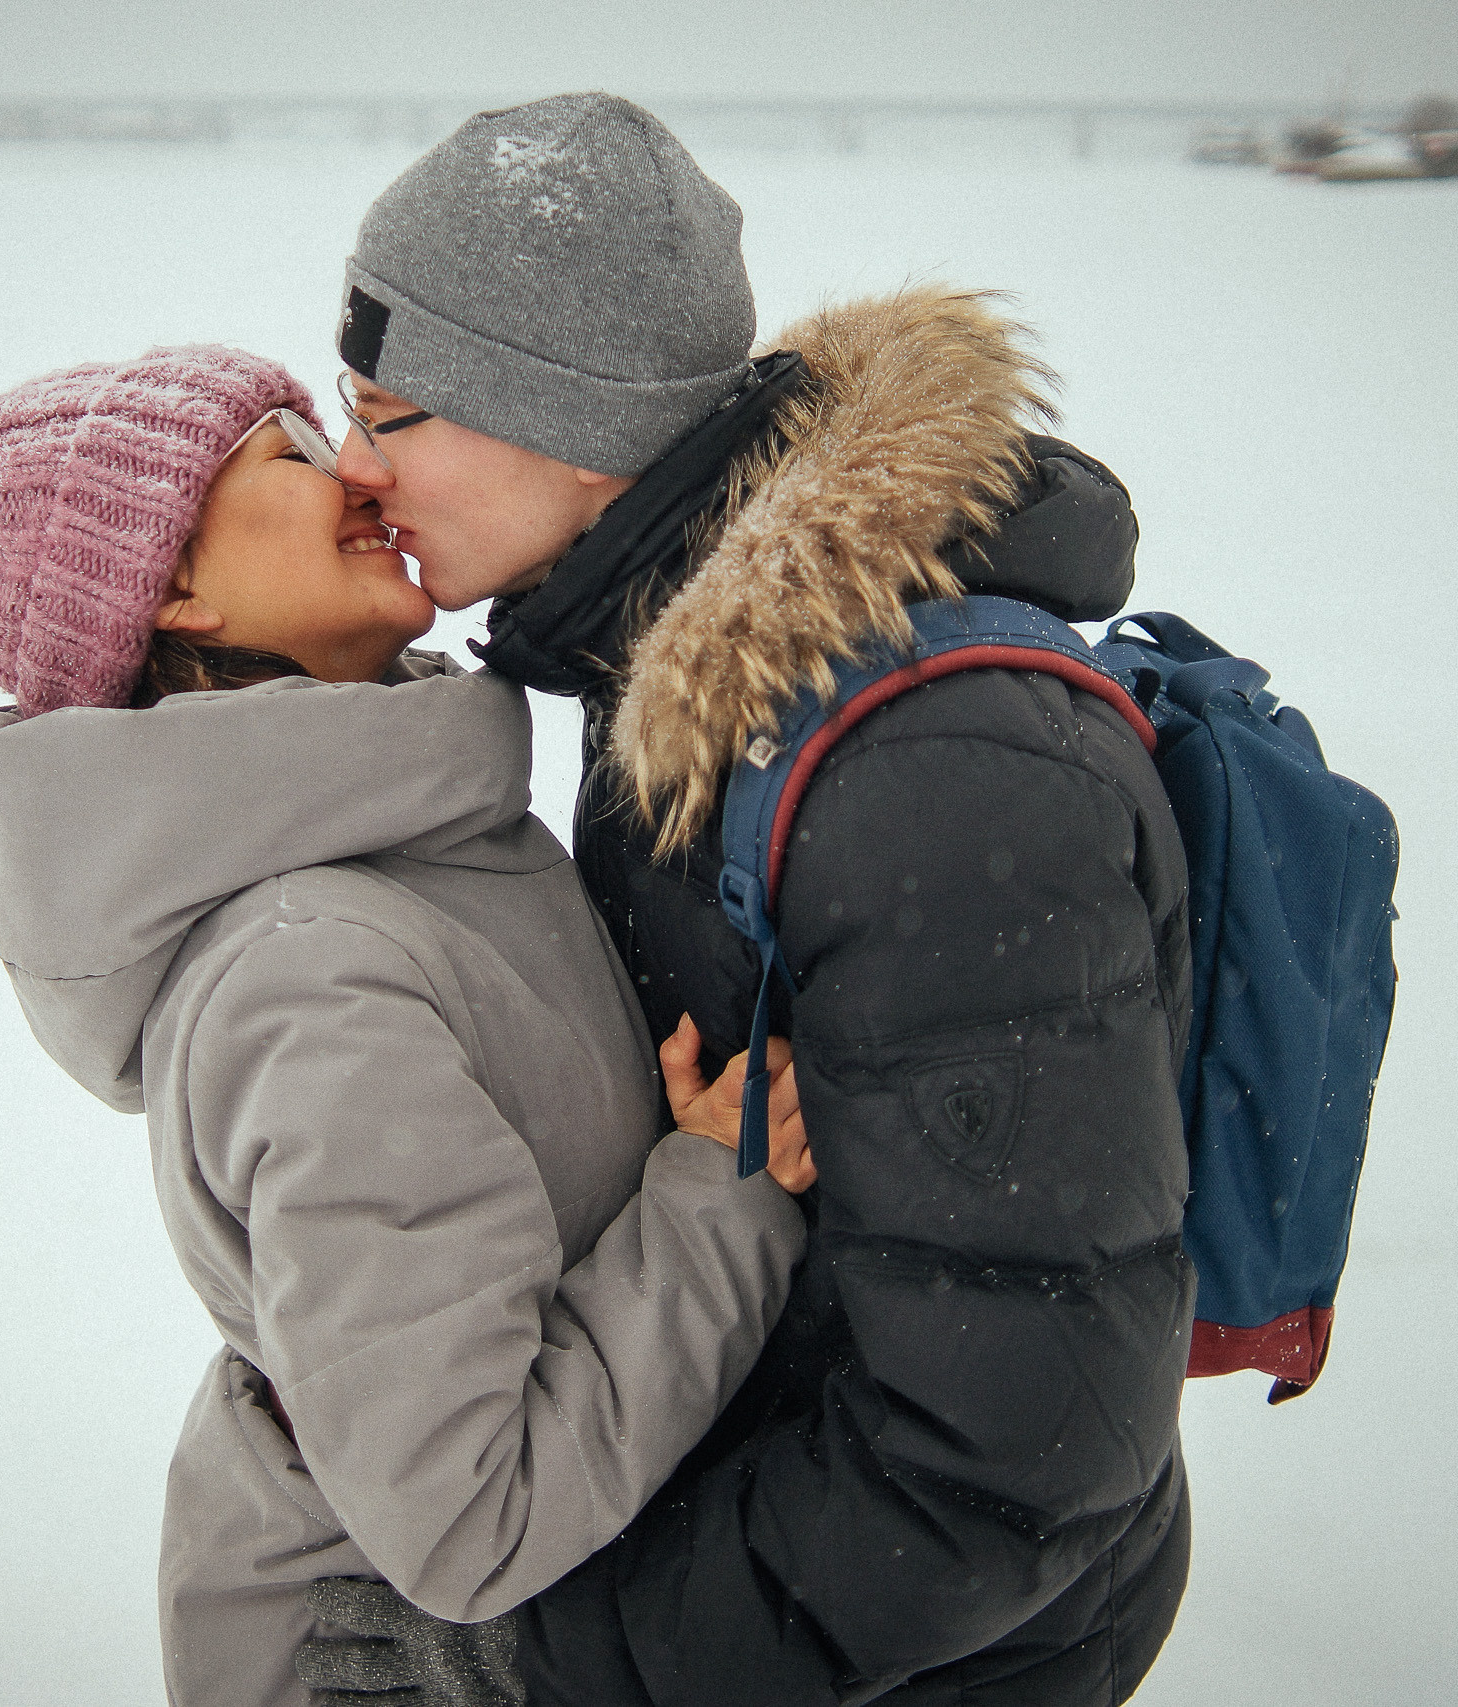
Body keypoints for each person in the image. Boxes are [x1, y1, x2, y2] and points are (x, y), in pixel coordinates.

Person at [303, 94, 1197, 1706]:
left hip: (932, 1659)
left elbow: (1014, 1452)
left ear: (565, 421)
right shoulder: (672, 663)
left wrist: (546, 1666)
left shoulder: (934, 777)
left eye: (393, 415)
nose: (355, 476)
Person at [0, 346, 820, 1707]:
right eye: (291, 453)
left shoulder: (405, 855)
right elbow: (472, 1509)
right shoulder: (311, 976)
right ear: (181, 590)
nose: (360, 472)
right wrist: (715, 1203)